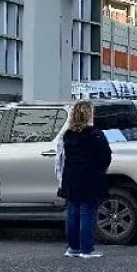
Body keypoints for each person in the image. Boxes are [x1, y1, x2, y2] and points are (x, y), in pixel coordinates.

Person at [57, 101, 112, 259]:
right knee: (87, 212)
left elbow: (63, 156)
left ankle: (73, 247)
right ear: (89, 114)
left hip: (70, 178)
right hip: (89, 178)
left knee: (73, 213)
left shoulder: (68, 134)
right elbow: (105, 156)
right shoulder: (94, 134)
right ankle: (87, 249)